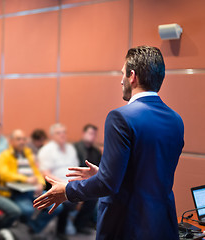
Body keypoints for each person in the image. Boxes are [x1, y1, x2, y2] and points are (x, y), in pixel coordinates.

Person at [33, 46, 185, 240]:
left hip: (127, 226)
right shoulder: (175, 120)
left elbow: (108, 184)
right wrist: (103, 173)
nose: (120, 80)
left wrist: (67, 191)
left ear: (132, 76)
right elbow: (148, 175)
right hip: (162, 225)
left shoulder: (120, 117)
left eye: (122, 74)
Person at [0, 129, 61, 235]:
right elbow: (3, 174)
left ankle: (32, 229)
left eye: (23, 139)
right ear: (11, 141)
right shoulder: (5, 155)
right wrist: (25, 179)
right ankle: (23, 231)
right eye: (18, 139)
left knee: (56, 204)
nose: (22, 141)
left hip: (32, 190)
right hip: (15, 192)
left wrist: (41, 183)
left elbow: (37, 172)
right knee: (28, 210)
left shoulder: (28, 153)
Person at [38, 123, 88, 239]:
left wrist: (79, 181)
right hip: (55, 184)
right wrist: (63, 183)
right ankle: (61, 230)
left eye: (64, 132)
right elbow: (46, 173)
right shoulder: (47, 150)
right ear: (52, 136)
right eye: (58, 133)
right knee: (68, 198)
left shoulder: (70, 148)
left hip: (72, 182)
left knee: (93, 196)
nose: (62, 135)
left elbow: (77, 168)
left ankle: (79, 225)